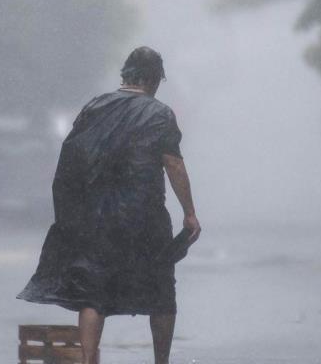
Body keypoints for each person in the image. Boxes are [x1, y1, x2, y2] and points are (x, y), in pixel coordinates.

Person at [18, 46, 201, 364]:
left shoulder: (94, 107)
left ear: (126, 75)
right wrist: (189, 213)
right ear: (154, 79)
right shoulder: (159, 114)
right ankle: (161, 362)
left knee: (94, 292)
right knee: (160, 292)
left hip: (97, 219)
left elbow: (70, 161)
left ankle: (89, 360)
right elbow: (173, 164)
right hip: (145, 218)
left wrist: (70, 215)